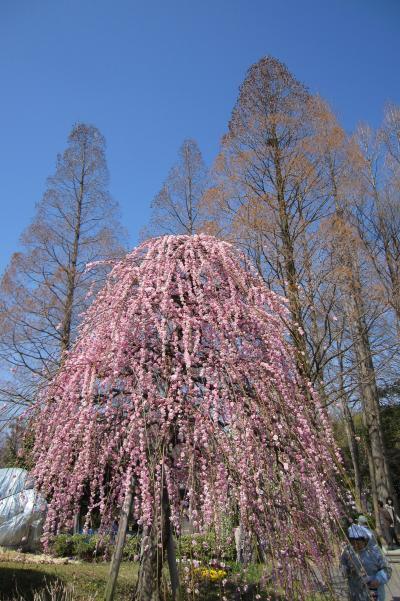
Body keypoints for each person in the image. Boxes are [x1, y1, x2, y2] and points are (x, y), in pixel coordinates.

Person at [341, 525, 391, 600]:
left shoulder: (375, 552)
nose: (355, 545)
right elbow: (343, 566)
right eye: (353, 543)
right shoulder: (347, 551)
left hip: (373, 591)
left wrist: (378, 579)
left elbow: (387, 569)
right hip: (355, 592)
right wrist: (348, 570)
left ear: (365, 540)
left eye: (358, 543)